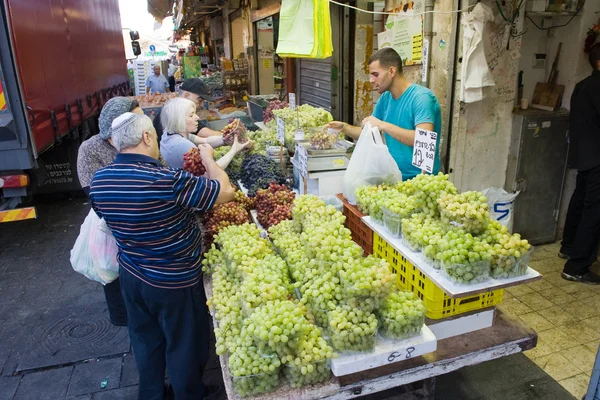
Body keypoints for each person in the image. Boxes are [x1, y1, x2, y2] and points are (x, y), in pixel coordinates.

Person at [89, 112, 235, 400]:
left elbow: (105, 218)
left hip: (131, 276)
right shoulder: (166, 180)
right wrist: (208, 160)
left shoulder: (100, 181)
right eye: (154, 138)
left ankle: (153, 394)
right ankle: (190, 394)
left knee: (145, 340)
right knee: (183, 343)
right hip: (174, 280)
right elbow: (226, 191)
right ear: (146, 137)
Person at [76, 97, 142, 327]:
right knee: (114, 273)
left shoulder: (142, 140)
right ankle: (126, 323)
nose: (143, 122)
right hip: (112, 228)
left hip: (143, 225)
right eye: (137, 117)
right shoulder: (90, 149)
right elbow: (94, 193)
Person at [329, 48, 442, 181]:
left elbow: (423, 141)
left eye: (375, 74)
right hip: (394, 177)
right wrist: (344, 128)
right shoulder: (386, 98)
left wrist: (383, 125)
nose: (371, 80)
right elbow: (369, 131)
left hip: (420, 181)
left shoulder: (421, 98)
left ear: (392, 71)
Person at [560, 44, 600, 284]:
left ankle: (569, 246)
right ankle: (576, 266)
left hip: (584, 156)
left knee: (580, 201)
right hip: (597, 158)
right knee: (593, 212)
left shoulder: (583, 85)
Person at [160, 97, 251, 169]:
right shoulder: (182, 145)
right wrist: (233, 150)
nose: (197, 118)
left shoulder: (171, 134)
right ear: (178, 120)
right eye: (191, 115)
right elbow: (212, 171)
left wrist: (227, 138)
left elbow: (205, 141)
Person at [153, 78, 222, 143]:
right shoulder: (173, 115)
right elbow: (203, 133)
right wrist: (227, 135)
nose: (202, 105)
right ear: (186, 96)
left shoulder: (180, 111)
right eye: (199, 100)